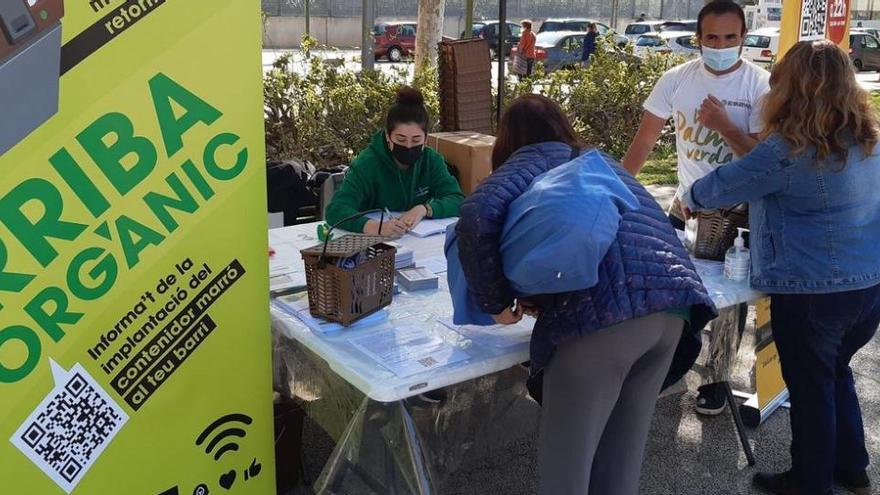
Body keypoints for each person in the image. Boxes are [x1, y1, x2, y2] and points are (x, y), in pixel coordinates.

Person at [455, 94, 717, 495]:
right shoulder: (602, 163)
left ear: (509, 140)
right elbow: (613, 243)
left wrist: (495, 304)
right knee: (619, 467)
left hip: (604, 322)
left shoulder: (529, 161)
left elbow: (475, 217)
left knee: (567, 475)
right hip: (672, 311)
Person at [686, 40, 880, 495]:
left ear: (789, 90)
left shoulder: (789, 150)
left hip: (812, 293)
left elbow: (719, 187)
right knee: (835, 372)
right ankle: (852, 468)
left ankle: (810, 481)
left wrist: (688, 200)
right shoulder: (867, 138)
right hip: (868, 289)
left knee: (811, 389)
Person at [621, 0, 770, 416]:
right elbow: (644, 141)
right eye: (711, 38)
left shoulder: (760, 86)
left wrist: (725, 126)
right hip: (685, 207)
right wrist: (615, 191)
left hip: (738, 214)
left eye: (729, 37)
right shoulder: (677, 79)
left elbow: (762, 162)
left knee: (727, 303)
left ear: (743, 37)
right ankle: (666, 366)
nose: (720, 46)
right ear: (698, 39)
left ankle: (718, 379)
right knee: (671, 292)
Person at [324, 87, 464, 236]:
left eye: (416, 139)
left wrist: (424, 209)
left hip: (416, 239)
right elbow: (335, 210)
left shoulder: (432, 161)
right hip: (373, 242)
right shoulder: (367, 164)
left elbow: (457, 199)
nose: (409, 146)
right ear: (388, 137)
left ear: (426, 138)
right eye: (401, 139)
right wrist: (375, 227)